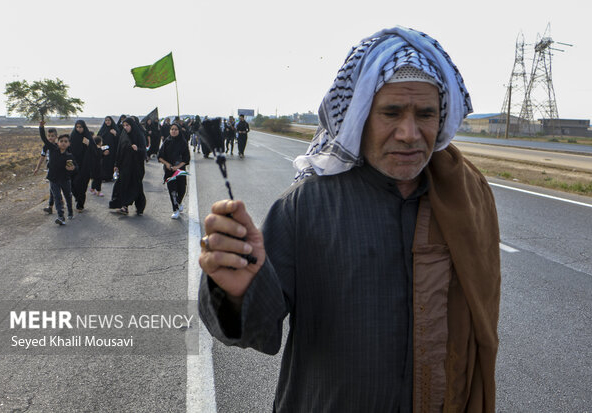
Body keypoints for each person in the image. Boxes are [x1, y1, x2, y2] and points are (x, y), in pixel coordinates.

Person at [198, 27, 501, 412]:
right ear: (359, 116)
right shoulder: (305, 206)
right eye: (391, 112)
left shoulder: (466, 200)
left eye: (425, 114)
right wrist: (236, 293)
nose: (409, 133)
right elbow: (257, 331)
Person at [38, 121, 76, 225]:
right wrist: (41, 127)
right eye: (61, 141)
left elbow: (75, 167)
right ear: (58, 142)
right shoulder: (53, 149)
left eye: (65, 141)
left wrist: (72, 168)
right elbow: (44, 138)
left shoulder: (69, 156)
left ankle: (70, 212)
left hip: (65, 179)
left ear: (69, 144)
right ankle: (61, 217)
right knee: (57, 198)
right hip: (53, 179)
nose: (63, 143)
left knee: (68, 196)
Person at [109, 117, 147, 215]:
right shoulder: (123, 135)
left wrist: (137, 149)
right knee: (122, 185)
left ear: (132, 125)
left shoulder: (139, 135)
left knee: (136, 187)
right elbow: (119, 150)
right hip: (125, 166)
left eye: (127, 125)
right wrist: (116, 164)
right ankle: (123, 206)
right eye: (124, 125)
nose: (125, 127)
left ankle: (140, 208)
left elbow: (144, 152)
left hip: (136, 167)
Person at [158, 123, 191, 219]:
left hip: (180, 171)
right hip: (169, 171)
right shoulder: (166, 142)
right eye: (172, 129)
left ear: (179, 131)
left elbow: (186, 158)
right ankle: (175, 209)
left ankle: (179, 202)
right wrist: (167, 164)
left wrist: (178, 167)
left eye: (176, 129)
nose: (173, 131)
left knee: (181, 189)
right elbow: (160, 157)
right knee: (172, 190)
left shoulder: (183, 142)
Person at [69, 120, 98, 212]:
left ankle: (80, 204)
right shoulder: (72, 137)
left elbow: (95, 151)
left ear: (84, 127)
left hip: (85, 166)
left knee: (82, 185)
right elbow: (68, 151)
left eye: (80, 127)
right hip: (74, 165)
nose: (78, 129)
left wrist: (89, 144)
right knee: (72, 184)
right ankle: (78, 198)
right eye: (77, 127)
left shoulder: (88, 137)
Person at [33, 126, 58, 214]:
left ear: (56, 137)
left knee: (55, 188)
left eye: (52, 136)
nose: (50, 138)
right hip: (50, 170)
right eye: (49, 136)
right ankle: (51, 206)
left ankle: (58, 202)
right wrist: (37, 168)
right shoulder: (45, 147)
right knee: (52, 188)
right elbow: (42, 157)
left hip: (59, 170)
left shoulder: (58, 146)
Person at [96, 116, 119, 182]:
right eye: (106, 120)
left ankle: (110, 176)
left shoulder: (114, 129)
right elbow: (98, 139)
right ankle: (103, 177)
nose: (107, 122)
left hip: (112, 150)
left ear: (111, 121)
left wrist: (115, 134)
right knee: (103, 163)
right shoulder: (103, 130)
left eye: (109, 120)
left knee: (111, 163)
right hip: (103, 149)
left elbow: (118, 140)